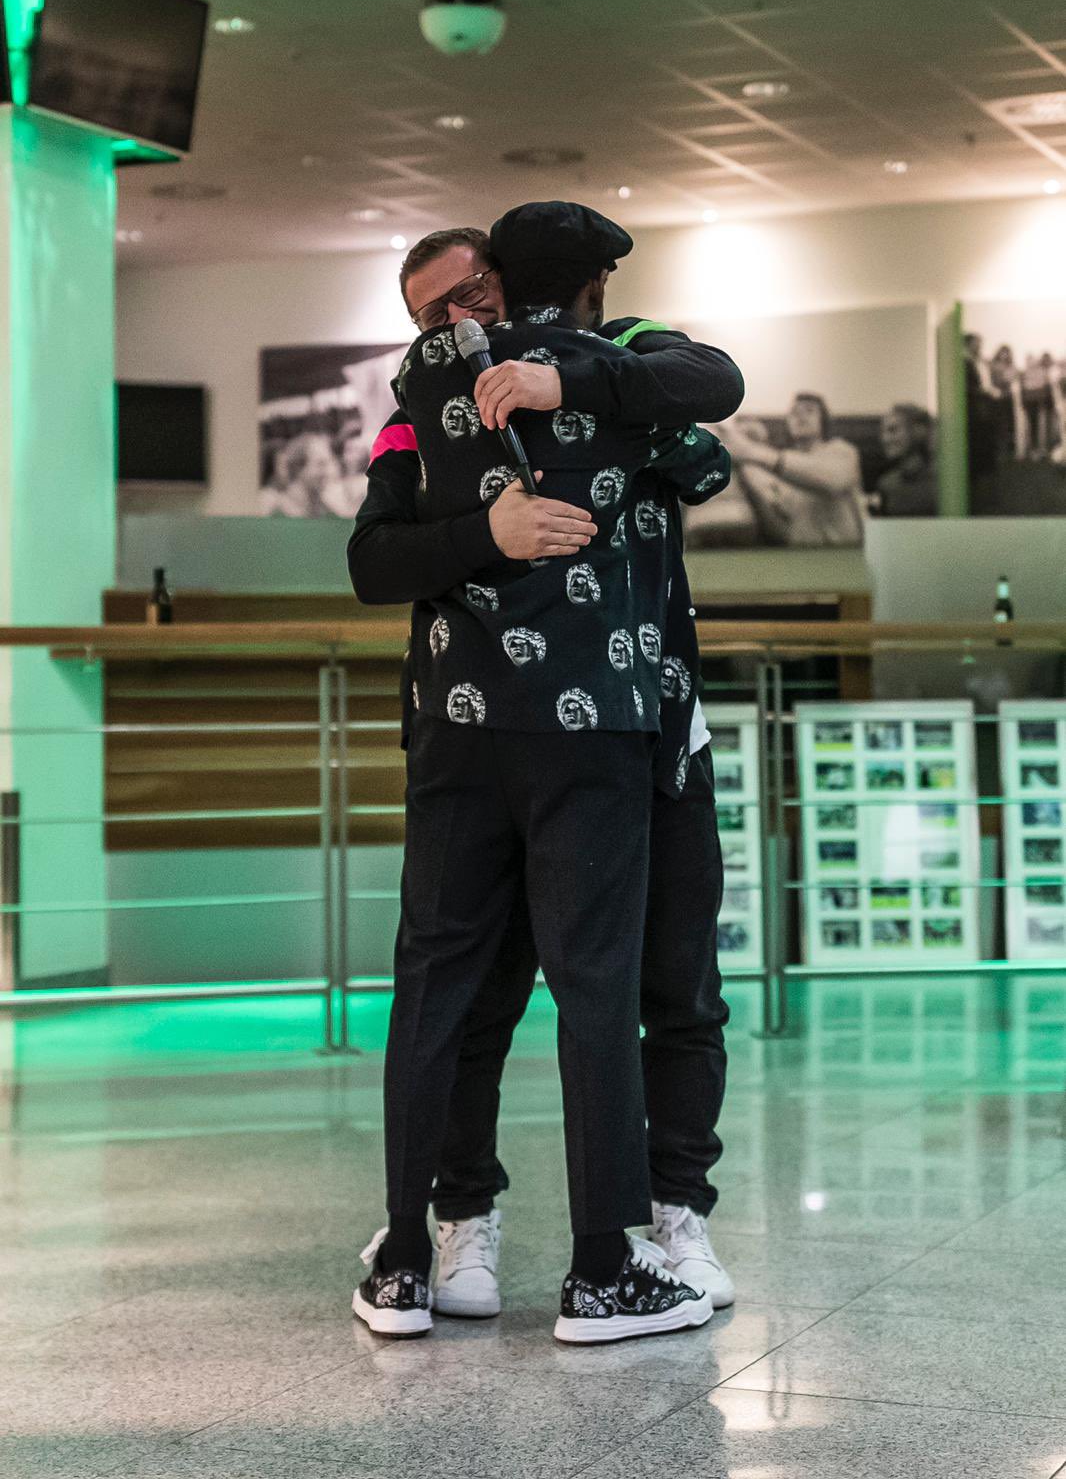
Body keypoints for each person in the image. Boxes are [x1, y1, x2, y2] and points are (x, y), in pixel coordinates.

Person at [349, 204, 741, 1346]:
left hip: (641, 729)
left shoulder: (621, 362)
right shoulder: (423, 405)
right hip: (556, 734)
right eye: (433, 313)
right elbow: (374, 559)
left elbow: (708, 416)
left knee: (656, 988)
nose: (461, 322)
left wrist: (566, 381)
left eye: (472, 294)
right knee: (527, 993)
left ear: (508, 275)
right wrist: (494, 528)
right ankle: (504, 1237)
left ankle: (660, 1219)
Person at [726, 393, 865, 546]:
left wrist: (750, 450)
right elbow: (781, 531)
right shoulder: (783, 470)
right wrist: (744, 468)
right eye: (794, 412)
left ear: (823, 421)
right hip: (801, 555)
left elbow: (833, 480)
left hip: (845, 553)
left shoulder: (841, 451)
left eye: (809, 410)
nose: (800, 415)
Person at [875, 402, 937, 517]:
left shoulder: (944, 481)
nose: (885, 439)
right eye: (882, 432)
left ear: (918, 431)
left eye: (893, 430)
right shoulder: (887, 484)